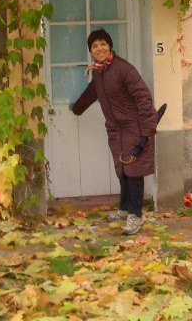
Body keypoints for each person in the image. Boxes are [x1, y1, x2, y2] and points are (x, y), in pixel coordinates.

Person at [70, 29, 158, 235]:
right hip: (115, 128)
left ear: (110, 46)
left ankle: (135, 216)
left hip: (132, 126)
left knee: (133, 171)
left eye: (103, 44)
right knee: (122, 170)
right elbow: (94, 92)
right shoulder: (100, 72)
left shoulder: (123, 69)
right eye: (94, 45)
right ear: (91, 51)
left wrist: (146, 131)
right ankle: (125, 208)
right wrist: (76, 108)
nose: (99, 48)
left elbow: (143, 97)